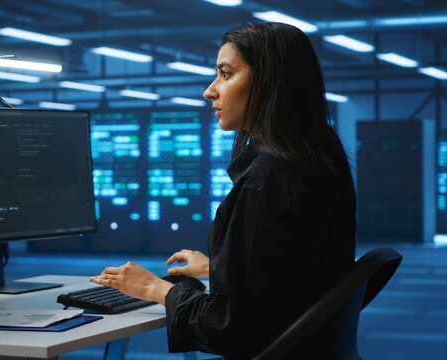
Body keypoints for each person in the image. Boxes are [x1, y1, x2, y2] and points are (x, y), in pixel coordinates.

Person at [90, 22, 356, 359]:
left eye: (226, 74)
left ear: (269, 83)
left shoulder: (268, 180)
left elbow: (231, 328)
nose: (210, 91)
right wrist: (220, 268)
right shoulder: (320, 159)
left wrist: (154, 288)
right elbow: (296, 275)